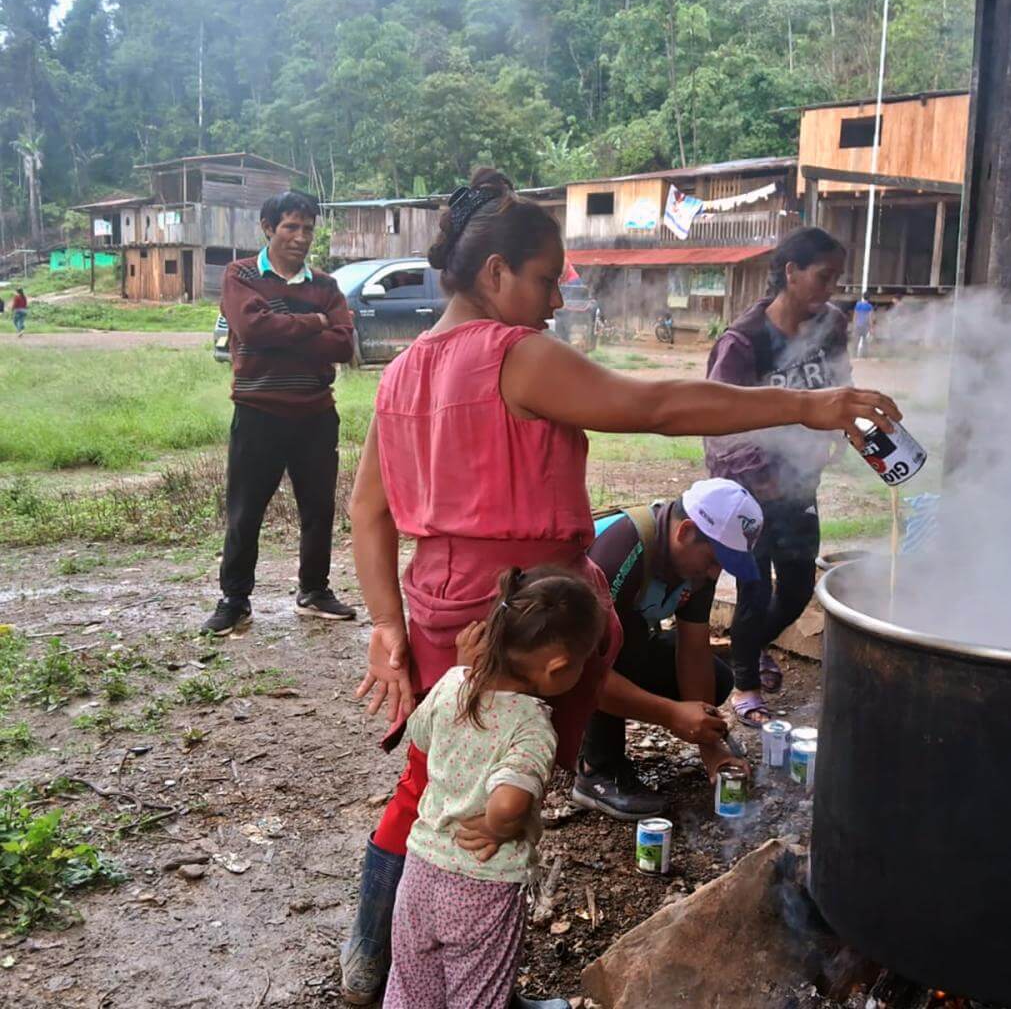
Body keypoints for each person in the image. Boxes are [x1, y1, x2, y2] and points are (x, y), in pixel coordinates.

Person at [340, 168, 899, 1005]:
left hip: (437, 612)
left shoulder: (403, 371)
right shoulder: (511, 356)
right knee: (499, 804)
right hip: (525, 620)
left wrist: (388, 623)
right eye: (543, 278)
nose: (555, 299)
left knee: (432, 786)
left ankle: (382, 963)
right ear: (494, 274)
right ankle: (461, 978)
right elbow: (659, 404)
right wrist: (809, 407)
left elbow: (369, 513)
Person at [385, 565, 605, 1009]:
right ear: (559, 667)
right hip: (481, 887)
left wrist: (461, 674)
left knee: (411, 988)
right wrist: (497, 825)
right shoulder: (532, 725)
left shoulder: (452, 683)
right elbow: (508, 804)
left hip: (421, 871)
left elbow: (422, 737)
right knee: (478, 995)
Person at [704, 227, 853, 726]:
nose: (830, 288)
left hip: (799, 483)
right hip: (747, 490)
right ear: (790, 272)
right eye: (823, 276)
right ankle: (744, 683)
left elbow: (838, 384)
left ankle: (749, 649)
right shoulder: (744, 341)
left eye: (836, 278)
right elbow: (715, 420)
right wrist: (758, 479)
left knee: (794, 588)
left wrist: (844, 428)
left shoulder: (829, 325)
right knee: (753, 590)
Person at [201, 191, 359, 637]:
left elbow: (344, 345)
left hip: (315, 414)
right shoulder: (242, 275)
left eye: (307, 228)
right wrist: (313, 325)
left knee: (318, 509)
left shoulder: (326, 286)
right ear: (269, 228)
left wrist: (282, 329)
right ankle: (235, 599)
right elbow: (252, 327)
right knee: (245, 511)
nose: (301, 237)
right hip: (258, 413)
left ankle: (314, 590)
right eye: (291, 227)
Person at [573, 478, 761, 819]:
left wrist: (709, 746)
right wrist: (671, 714)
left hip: (613, 645)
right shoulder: (619, 552)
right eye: (715, 559)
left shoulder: (697, 564)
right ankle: (595, 769)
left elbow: (693, 650)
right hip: (560, 661)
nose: (717, 572)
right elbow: (585, 672)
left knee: (718, 678)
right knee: (618, 649)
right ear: (686, 531)